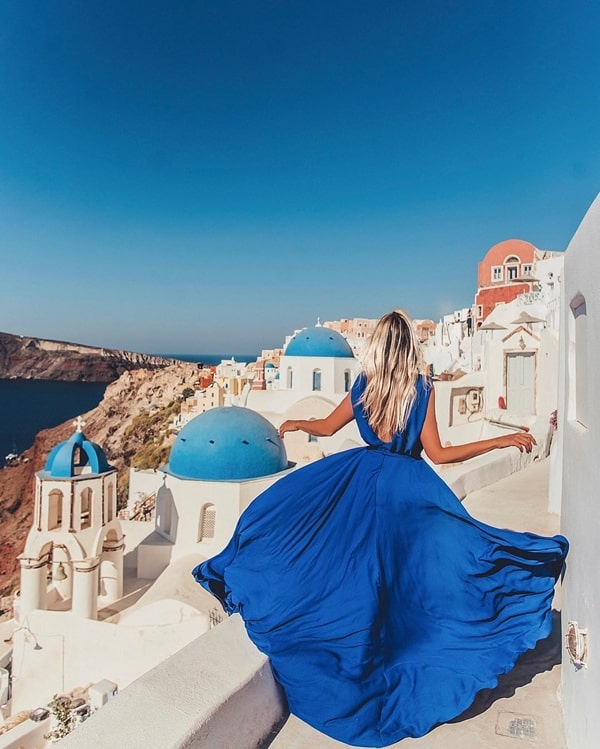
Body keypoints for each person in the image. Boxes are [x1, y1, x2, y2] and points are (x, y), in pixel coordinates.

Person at [192, 310, 568, 748]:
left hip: (361, 483)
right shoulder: (421, 389)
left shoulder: (363, 388)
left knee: (361, 578)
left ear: (378, 347)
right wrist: (500, 439)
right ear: (408, 345)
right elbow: (441, 455)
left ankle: (364, 661)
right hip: (409, 492)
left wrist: (298, 425)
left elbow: (328, 427)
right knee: (417, 580)